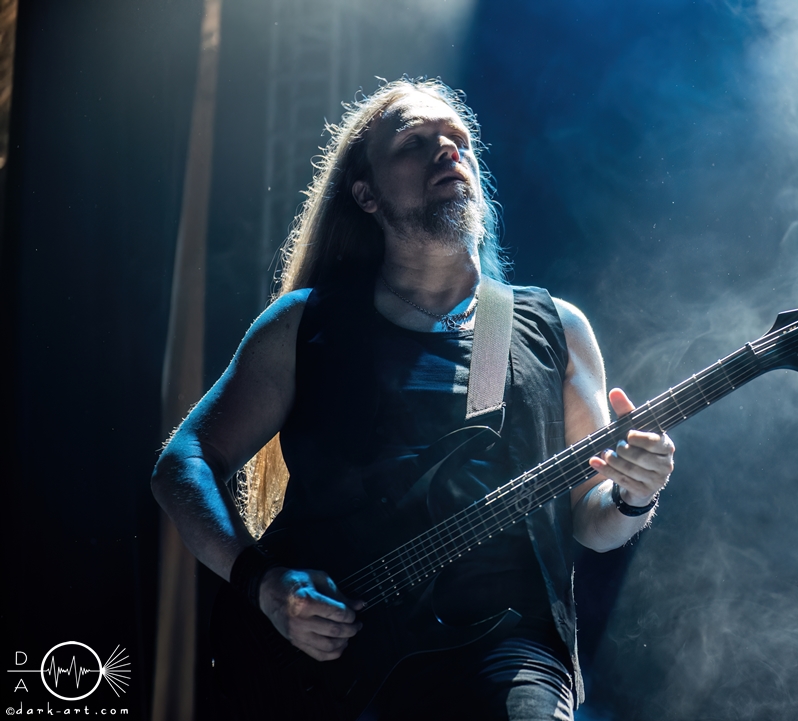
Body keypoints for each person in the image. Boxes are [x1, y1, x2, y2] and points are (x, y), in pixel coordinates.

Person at [151, 78, 675, 720]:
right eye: (415, 142)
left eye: (458, 140)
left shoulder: (550, 326)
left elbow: (590, 521)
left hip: (507, 649)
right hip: (331, 664)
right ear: (366, 194)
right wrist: (262, 583)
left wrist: (632, 494)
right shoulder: (307, 324)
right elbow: (183, 464)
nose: (448, 150)